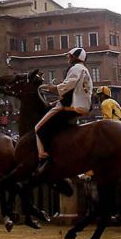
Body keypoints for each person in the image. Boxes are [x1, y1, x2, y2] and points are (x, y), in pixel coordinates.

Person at [34, 47, 93, 176]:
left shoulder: (76, 68)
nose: (68, 58)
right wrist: (55, 100)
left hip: (71, 106)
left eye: (69, 56)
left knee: (39, 128)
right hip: (82, 106)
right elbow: (72, 91)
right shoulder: (85, 70)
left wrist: (51, 88)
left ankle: (44, 158)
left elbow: (67, 86)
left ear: (74, 58)